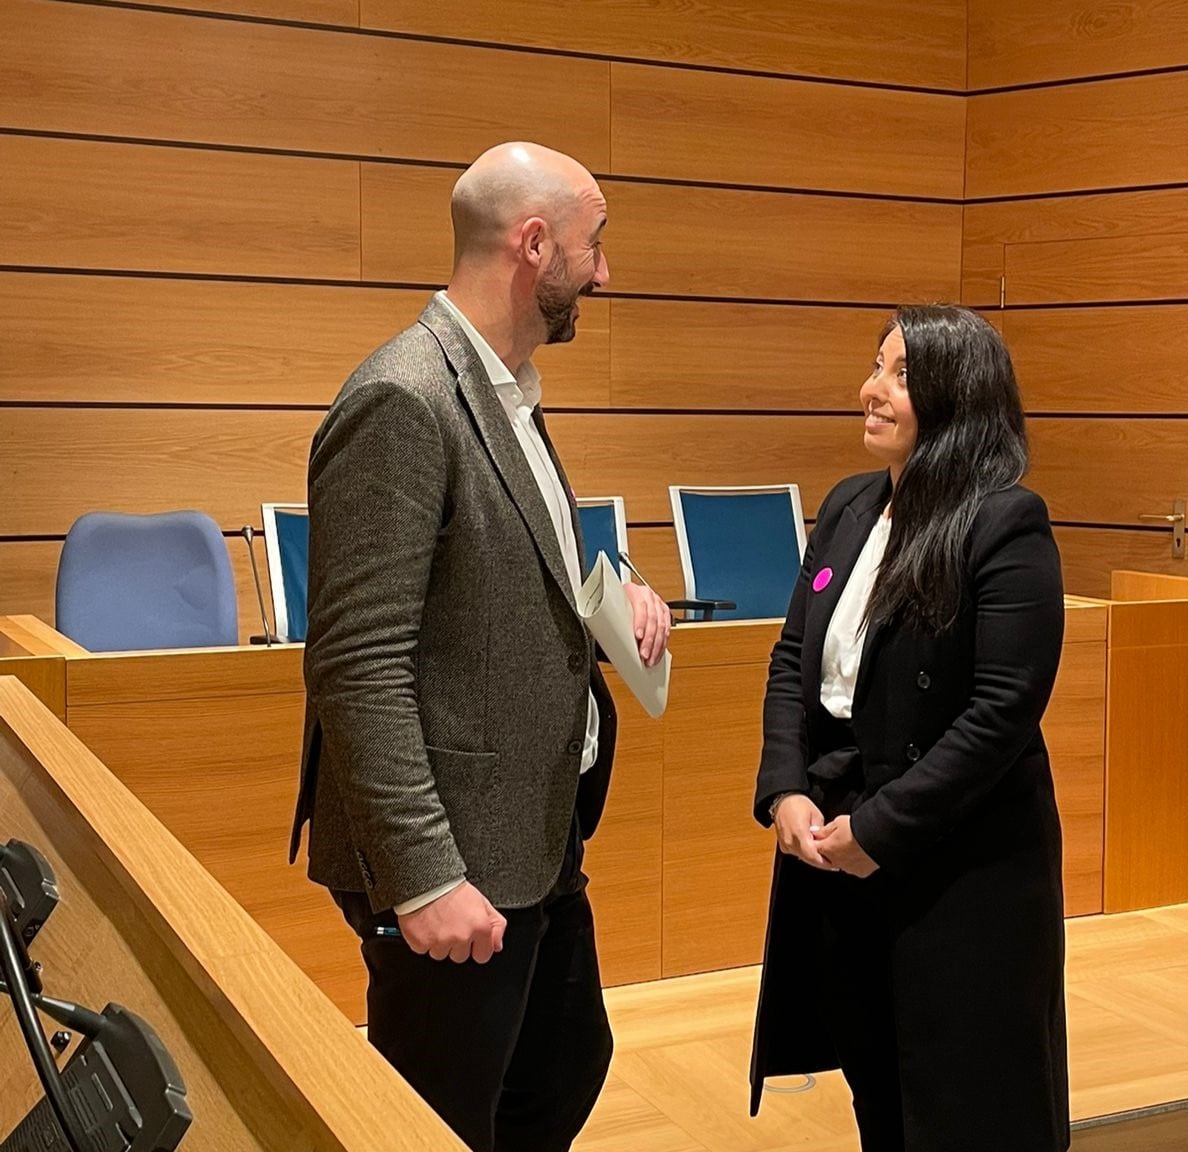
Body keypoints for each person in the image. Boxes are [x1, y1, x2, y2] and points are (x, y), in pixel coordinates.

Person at [289, 141, 672, 1152]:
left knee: (560, 1067)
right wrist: (422, 877)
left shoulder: (508, 389)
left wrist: (618, 597)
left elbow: (508, 578)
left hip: (533, 831)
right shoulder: (405, 399)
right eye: (594, 246)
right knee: (436, 1125)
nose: (604, 272)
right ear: (534, 244)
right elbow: (356, 663)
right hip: (451, 856)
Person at [749, 305, 1069, 1150]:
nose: (871, 390)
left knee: (969, 1101)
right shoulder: (850, 505)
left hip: (958, 862)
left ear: (955, 398)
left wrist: (882, 831)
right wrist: (784, 786)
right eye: (876, 366)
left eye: (899, 374)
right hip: (838, 842)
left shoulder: (1005, 521)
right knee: (875, 1085)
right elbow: (793, 661)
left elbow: (1001, 714)